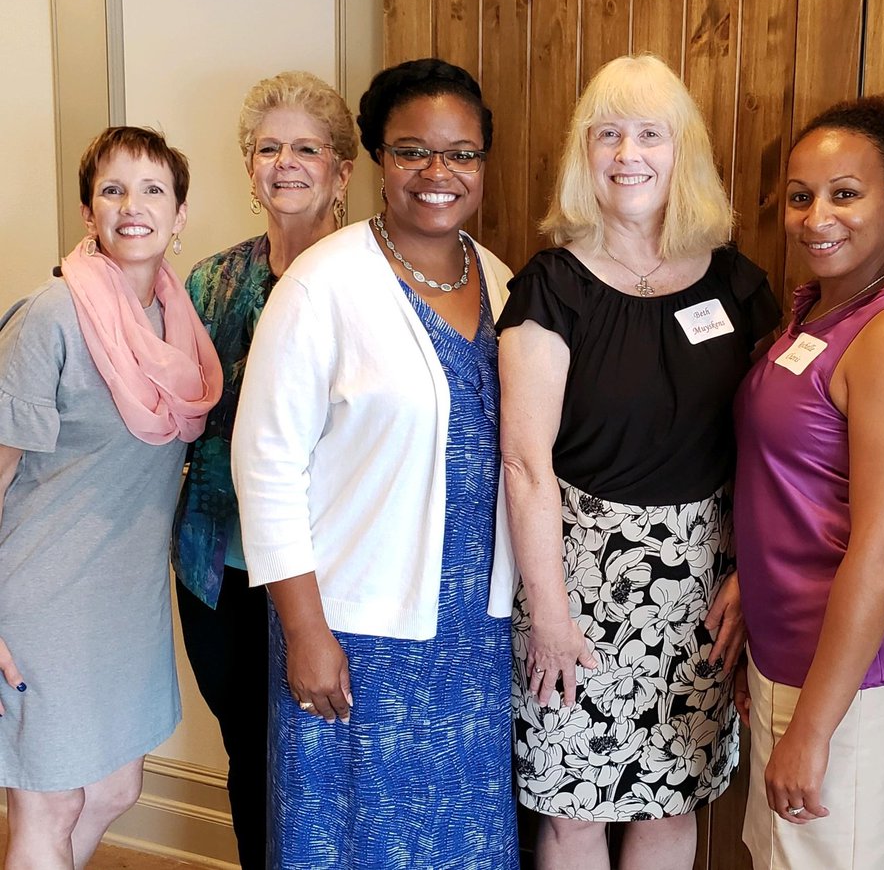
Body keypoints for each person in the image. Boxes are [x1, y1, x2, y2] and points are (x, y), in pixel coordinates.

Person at [230, 58, 519, 868]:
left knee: (461, 840)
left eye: (462, 153)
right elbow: (266, 466)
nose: (439, 172)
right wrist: (303, 630)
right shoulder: (324, 285)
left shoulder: (499, 278)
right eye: (412, 150)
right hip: (357, 630)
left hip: (474, 631)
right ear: (377, 162)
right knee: (352, 842)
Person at [498, 53, 781, 870]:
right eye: (608, 134)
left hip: (703, 582)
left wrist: (749, 573)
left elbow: (769, 448)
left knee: (671, 800)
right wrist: (549, 612)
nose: (628, 154)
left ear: (680, 151)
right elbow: (524, 463)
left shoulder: (736, 284)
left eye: (649, 134)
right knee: (573, 810)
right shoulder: (550, 287)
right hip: (577, 580)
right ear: (583, 156)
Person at [732, 96, 884, 869]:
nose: (816, 215)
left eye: (845, 193)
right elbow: (792, 481)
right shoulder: (815, 309)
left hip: (854, 674)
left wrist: (814, 729)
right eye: (800, 196)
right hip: (787, 647)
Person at [0, 127, 220, 867]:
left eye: (153, 189)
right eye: (113, 190)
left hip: (122, 597)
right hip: (40, 595)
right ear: (88, 211)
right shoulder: (52, 316)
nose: (133, 205)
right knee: (50, 801)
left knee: (114, 788)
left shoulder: (180, 325)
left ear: (180, 213)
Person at [171, 70, 355, 868]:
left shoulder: (373, 277)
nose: (285, 162)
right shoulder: (211, 283)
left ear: (343, 171)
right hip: (221, 570)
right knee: (252, 755)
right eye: (267, 147)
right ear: (249, 166)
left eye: (306, 148)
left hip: (339, 571)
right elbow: (170, 424)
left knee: (338, 759)